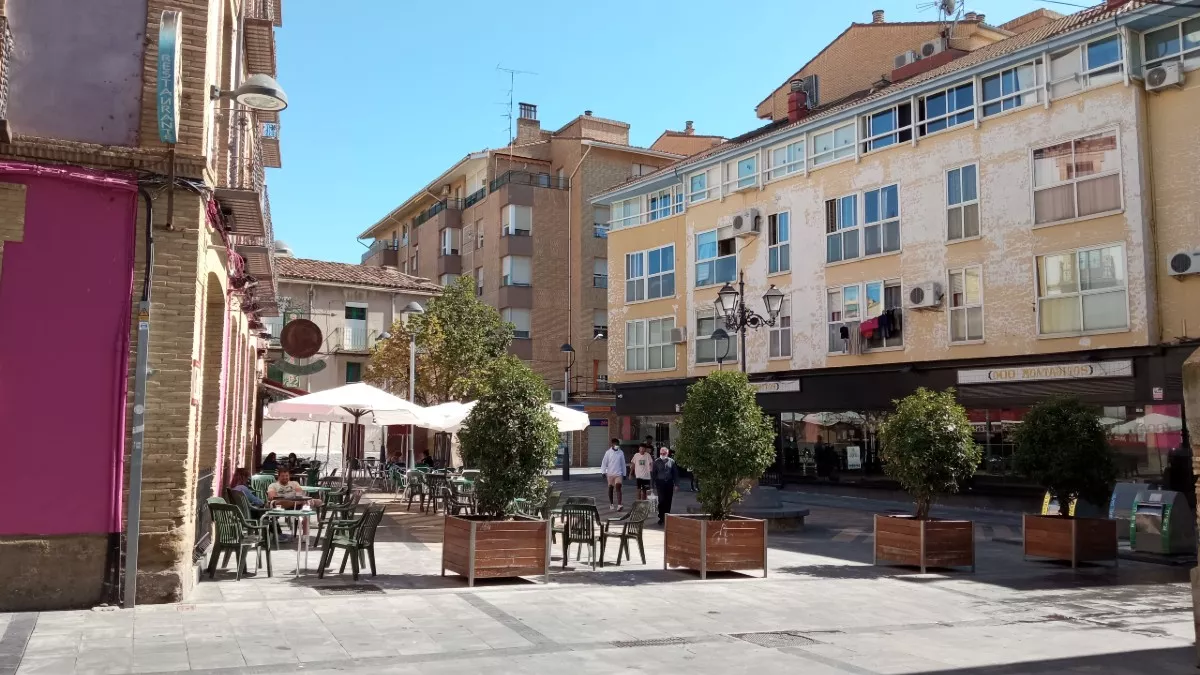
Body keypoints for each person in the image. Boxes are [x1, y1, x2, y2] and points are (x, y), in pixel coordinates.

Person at [652, 446, 679, 525]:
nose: (662, 455)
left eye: (664, 453)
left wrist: (676, 484)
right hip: (660, 483)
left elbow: (675, 474)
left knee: (668, 500)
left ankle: (667, 516)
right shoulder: (656, 462)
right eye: (661, 453)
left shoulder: (672, 462)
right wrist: (651, 486)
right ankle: (661, 517)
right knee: (661, 500)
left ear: (667, 453)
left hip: (669, 483)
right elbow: (653, 474)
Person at [600, 439, 627, 511]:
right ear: (612, 444)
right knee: (611, 488)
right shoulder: (608, 453)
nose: (616, 446)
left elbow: (623, 464)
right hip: (610, 474)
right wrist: (603, 472)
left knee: (618, 487)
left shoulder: (621, 452)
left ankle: (619, 505)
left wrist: (624, 474)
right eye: (615, 444)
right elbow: (604, 463)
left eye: (618, 444)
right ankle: (611, 504)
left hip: (618, 473)